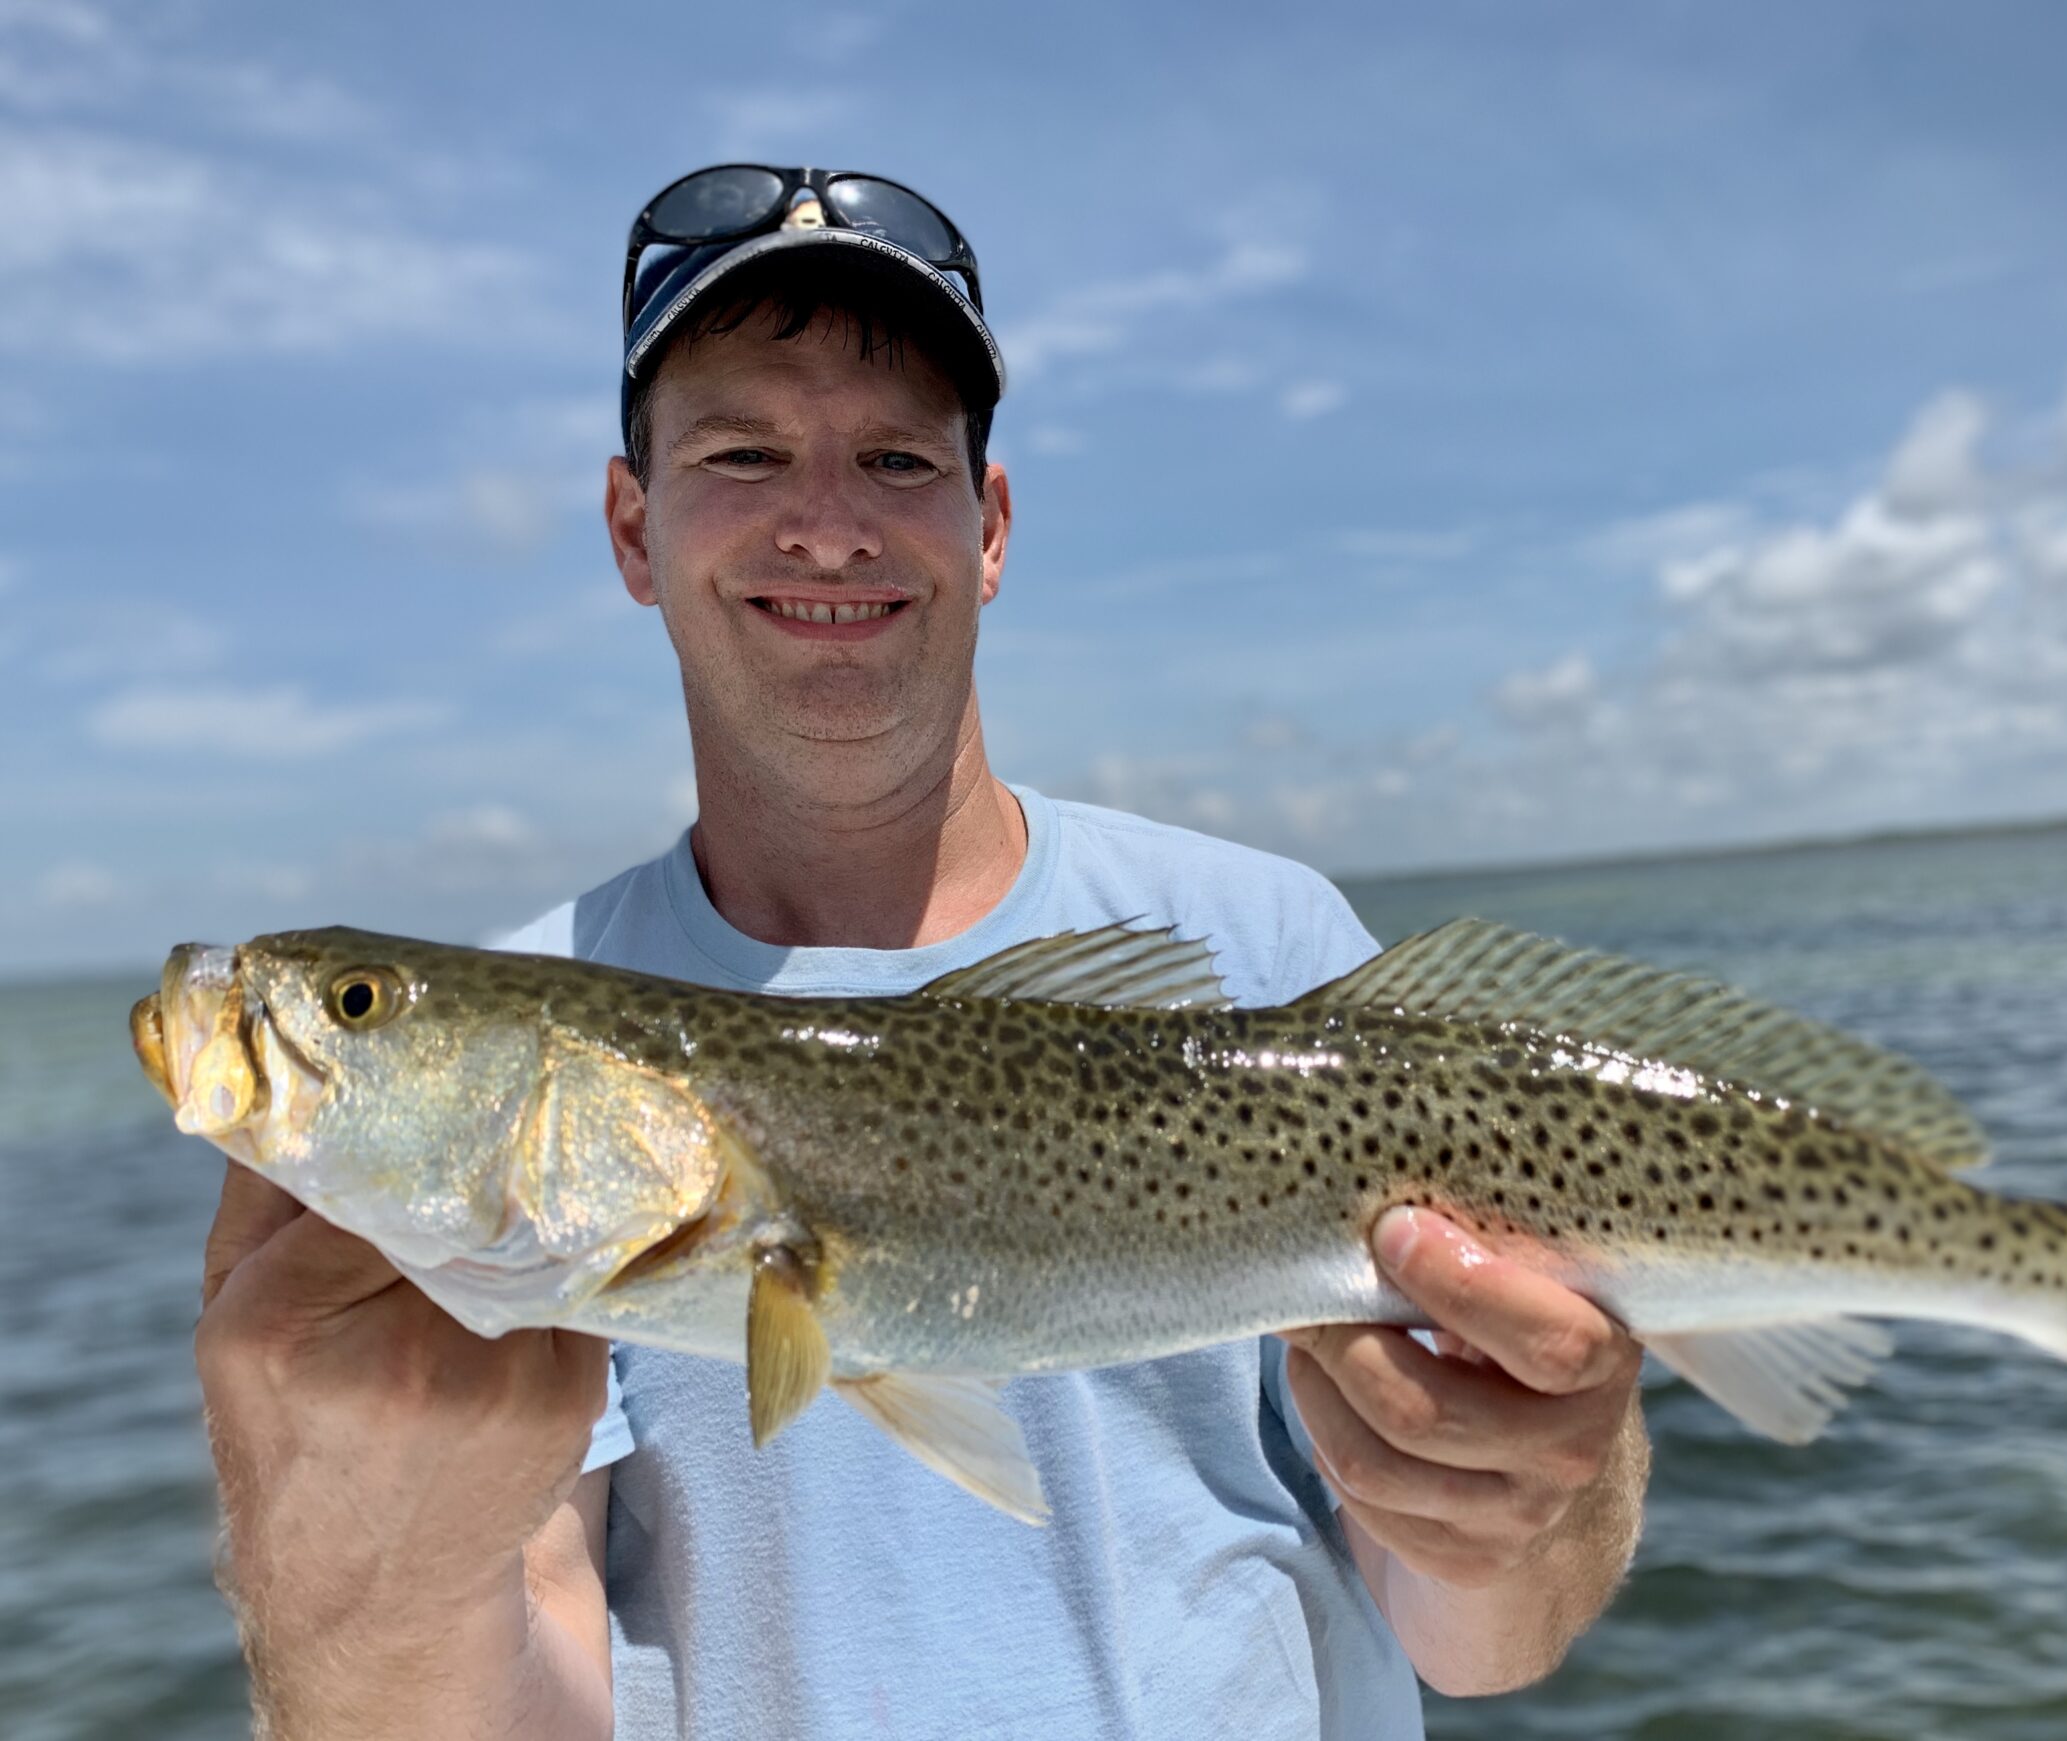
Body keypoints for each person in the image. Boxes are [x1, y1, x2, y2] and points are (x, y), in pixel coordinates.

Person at [192, 165, 1650, 1740]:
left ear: (992, 524)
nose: (827, 524)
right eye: (743, 451)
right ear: (635, 524)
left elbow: (1482, 1638)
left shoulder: (1272, 955)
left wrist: (1537, 1498)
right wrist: (355, 1577)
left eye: (896, 457)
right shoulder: (523, 1071)